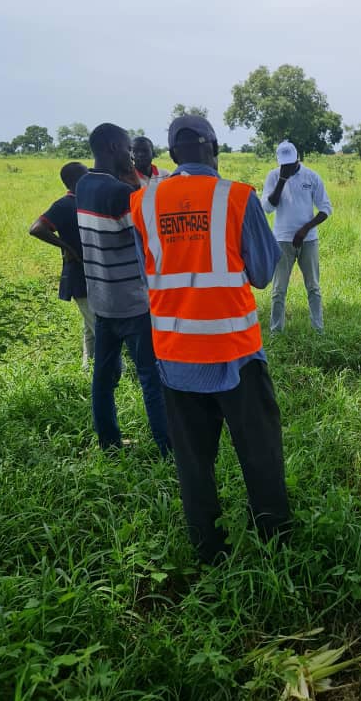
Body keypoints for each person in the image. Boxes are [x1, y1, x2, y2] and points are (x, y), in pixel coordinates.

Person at [131, 115, 291, 564]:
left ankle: (207, 548)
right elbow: (261, 274)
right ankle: (275, 541)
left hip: (175, 354)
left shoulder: (142, 201)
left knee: (193, 463)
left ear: (172, 153)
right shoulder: (237, 196)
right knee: (260, 453)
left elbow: (146, 272)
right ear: (214, 148)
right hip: (235, 352)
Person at [76, 123, 171, 457]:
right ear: (115, 147)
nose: (133, 155)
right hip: (132, 301)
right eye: (129, 148)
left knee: (103, 379)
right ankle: (167, 447)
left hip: (102, 302)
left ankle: (109, 442)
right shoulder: (121, 193)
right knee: (151, 378)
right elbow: (149, 239)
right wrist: (135, 185)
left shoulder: (84, 184)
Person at [261, 140, 333, 334]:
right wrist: (282, 181)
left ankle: (318, 330)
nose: (287, 167)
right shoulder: (273, 176)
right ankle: (276, 332)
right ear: (279, 162)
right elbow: (267, 208)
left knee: (313, 287)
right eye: (283, 164)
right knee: (278, 290)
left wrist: (305, 229)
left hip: (308, 240)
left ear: (297, 159)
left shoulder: (311, 176)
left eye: (290, 164)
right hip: (282, 240)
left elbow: (326, 209)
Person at [29, 161, 95, 368]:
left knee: (90, 324)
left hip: (91, 272)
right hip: (79, 273)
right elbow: (36, 228)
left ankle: (88, 367)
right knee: (100, 327)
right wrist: (66, 246)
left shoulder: (84, 202)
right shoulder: (64, 205)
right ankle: (114, 370)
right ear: (78, 180)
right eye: (86, 175)